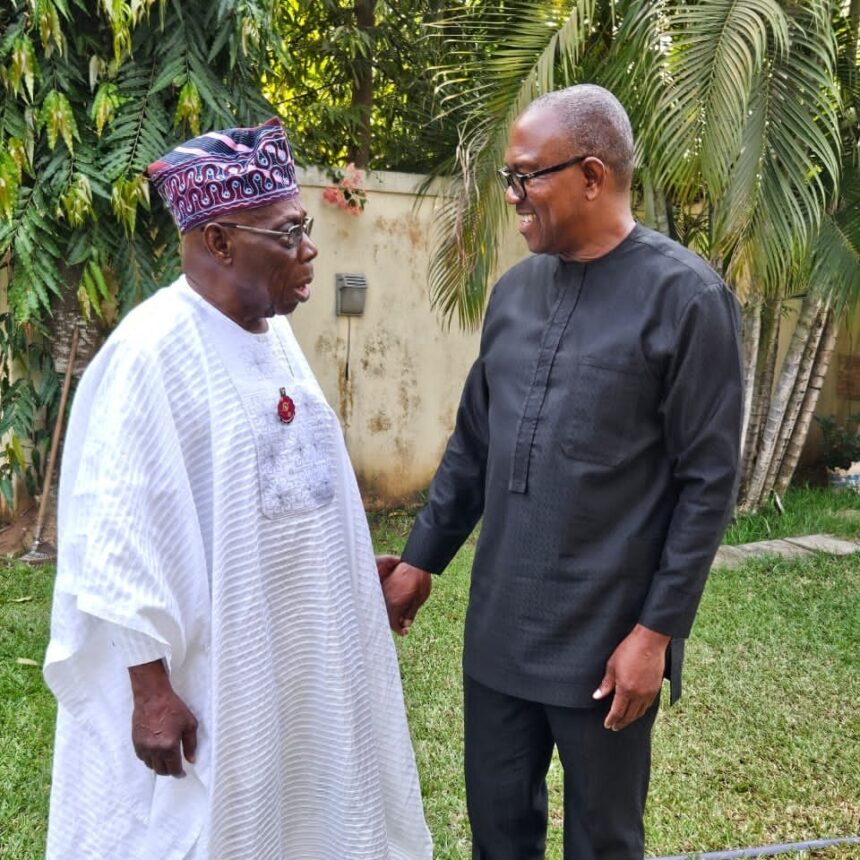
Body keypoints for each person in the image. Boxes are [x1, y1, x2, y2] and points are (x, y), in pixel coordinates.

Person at [43, 118, 432, 860]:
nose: (310, 249)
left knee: (307, 816)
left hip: (295, 653)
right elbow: (114, 536)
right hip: (205, 678)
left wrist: (346, 571)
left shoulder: (272, 334)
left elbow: (289, 489)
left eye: (306, 228)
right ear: (219, 242)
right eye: (287, 234)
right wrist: (150, 692)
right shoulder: (150, 354)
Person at [382, 85, 743, 859]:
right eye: (508, 179)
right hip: (500, 635)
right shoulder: (514, 294)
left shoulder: (687, 299)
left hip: (606, 644)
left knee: (602, 843)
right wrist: (419, 562)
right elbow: (474, 446)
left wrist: (654, 635)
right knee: (499, 836)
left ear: (590, 175)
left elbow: (708, 484)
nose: (512, 197)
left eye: (525, 177)